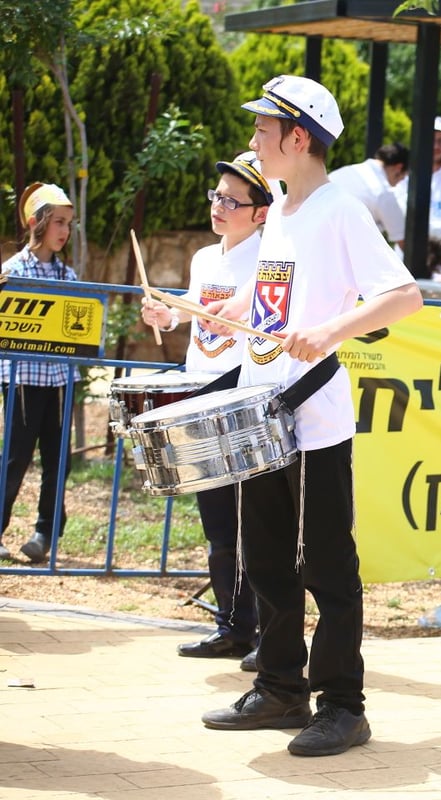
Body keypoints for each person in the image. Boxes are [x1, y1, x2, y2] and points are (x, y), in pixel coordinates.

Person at [199, 74, 423, 756]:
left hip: (315, 420)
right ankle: (279, 688)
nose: (254, 140)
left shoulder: (341, 210)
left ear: (299, 137)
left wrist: (329, 333)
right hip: (263, 412)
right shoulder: (285, 212)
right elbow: (267, 304)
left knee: (326, 564)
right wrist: (211, 312)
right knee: (265, 560)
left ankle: (344, 706)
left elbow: (403, 295)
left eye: (264, 129)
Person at [140, 152, 272, 662]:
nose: (218, 206)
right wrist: (166, 314)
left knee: (253, 523)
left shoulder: (270, 258)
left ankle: (265, 632)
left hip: (243, 395)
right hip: (202, 392)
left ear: (260, 213)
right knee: (217, 525)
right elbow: (192, 312)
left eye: (231, 200)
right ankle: (233, 628)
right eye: (216, 196)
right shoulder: (202, 259)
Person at [0, 183, 78, 564]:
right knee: (15, 457)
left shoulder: (71, 276)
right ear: (37, 221)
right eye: (58, 222)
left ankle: (46, 531)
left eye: (69, 223)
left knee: (56, 458)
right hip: (22, 379)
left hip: (62, 382)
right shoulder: (10, 272)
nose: (64, 231)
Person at [395, 116, 441, 272]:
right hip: (402, 264)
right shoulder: (405, 179)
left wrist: (413, 229)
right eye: (431, 140)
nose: (436, 145)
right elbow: (396, 215)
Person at [328, 142, 409, 248]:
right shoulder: (383, 193)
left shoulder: (346, 171)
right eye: (403, 176)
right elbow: (405, 244)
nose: (400, 181)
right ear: (399, 168)